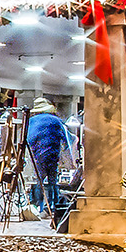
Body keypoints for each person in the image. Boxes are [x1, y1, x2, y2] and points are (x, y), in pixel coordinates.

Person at [26, 96, 74, 226]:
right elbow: (67, 139)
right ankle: (53, 207)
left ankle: (38, 207)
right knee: (53, 182)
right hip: (53, 155)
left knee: (38, 182)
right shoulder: (57, 121)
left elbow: (28, 139)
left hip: (37, 156)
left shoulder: (32, 121)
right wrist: (69, 160)